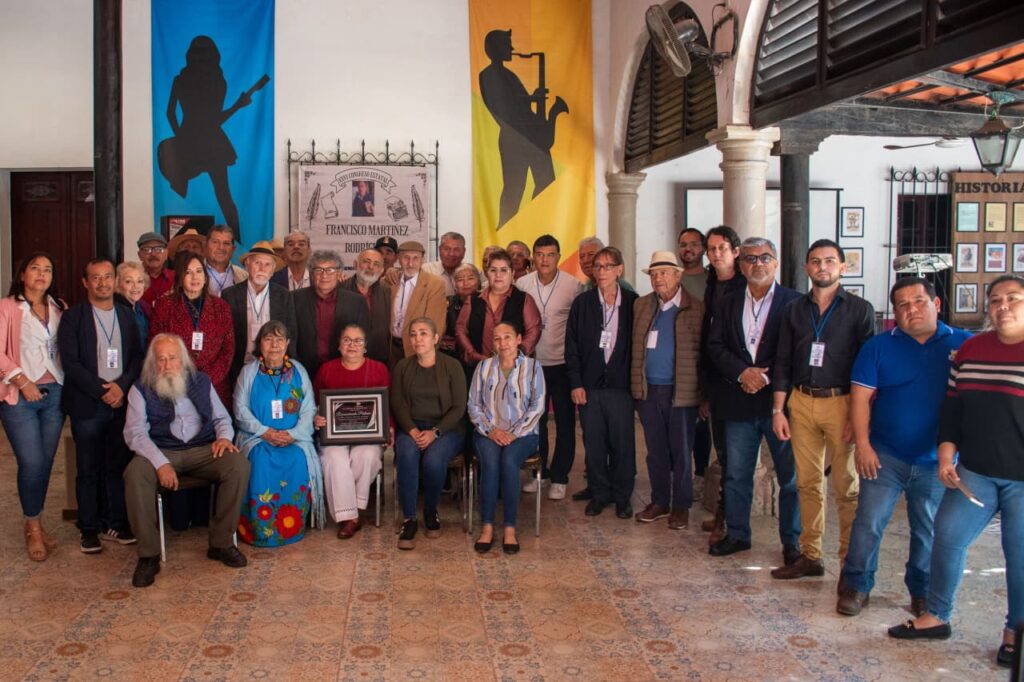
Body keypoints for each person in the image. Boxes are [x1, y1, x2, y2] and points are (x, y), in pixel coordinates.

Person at [887, 275, 1024, 670]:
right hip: (975, 470)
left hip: (1021, 479)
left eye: (1013, 299)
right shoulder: (971, 349)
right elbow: (953, 408)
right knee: (947, 536)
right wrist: (946, 457)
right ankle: (937, 615)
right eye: (995, 300)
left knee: (1018, 557)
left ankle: (1014, 632)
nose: (1003, 307)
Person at [837, 277, 970, 617]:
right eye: (903, 305)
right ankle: (856, 585)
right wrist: (863, 446)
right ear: (894, 312)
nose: (911, 309)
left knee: (927, 529)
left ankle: (922, 591)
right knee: (869, 522)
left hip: (936, 461)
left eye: (919, 301)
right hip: (885, 455)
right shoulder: (879, 346)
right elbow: (861, 398)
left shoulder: (963, 345)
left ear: (936, 304)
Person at [771, 239, 875, 580]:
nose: (822, 267)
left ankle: (849, 562)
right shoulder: (794, 310)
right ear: (806, 268)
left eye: (830, 261)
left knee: (847, 487)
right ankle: (811, 555)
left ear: (843, 267)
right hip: (801, 401)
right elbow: (783, 360)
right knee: (807, 483)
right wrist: (778, 409)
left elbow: (869, 368)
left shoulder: (859, 310)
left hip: (843, 403)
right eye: (815, 261)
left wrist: (860, 421)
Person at [122, 333, 248, 587]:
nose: (167, 365)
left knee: (238, 466)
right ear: (152, 363)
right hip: (162, 451)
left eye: (172, 358)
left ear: (183, 361)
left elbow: (222, 419)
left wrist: (224, 438)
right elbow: (134, 433)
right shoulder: (140, 388)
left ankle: (221, 543)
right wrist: (160, 463)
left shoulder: (201, 381)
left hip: (202, 449)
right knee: (135, 473)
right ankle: (149, 555)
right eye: (161, 360)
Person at [705, 238, 802, 565]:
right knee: (737, 474)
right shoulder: (728, 302)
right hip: (739, 401)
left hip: (780, 407)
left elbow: (797, 353)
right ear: (741, 264)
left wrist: (765, 376)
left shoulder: (794, 302)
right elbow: (715, 346)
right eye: (750, 258)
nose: (758, 263)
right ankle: (737, 534)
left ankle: (792, 542)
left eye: (765, 257)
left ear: (775, 263)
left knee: (790, 477)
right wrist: (742, 372)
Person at [57, 258, 143, 552]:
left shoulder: (126, 314)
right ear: (85, 282)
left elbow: (136, 358)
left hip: (120, 403)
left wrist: (121, 387)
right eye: (96, 278)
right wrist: (101, 390)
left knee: (116, 466)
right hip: (87, 404)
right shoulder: (73, 318)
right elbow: (70, 362)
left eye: (108, 277)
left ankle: (115, 524)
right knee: (88, 468)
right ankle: (88, 528)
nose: (103, 283)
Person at [233, 320, 324, 546]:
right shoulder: (248, 372)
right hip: (257, 439)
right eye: (268, 339)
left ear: (287, 343)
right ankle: (261, 531)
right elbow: (240, 409)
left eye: (279, 339)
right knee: (260, 461)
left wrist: (293, 434)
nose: (274, 345)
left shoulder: (299, 370)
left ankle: (291, 528)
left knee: (297, 459)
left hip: (294, 439)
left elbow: (309, 408)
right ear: (259, 344)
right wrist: (265, 432)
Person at [0, 253, 66, 561]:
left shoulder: (58, 307)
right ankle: (32, 527)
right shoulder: (7, 307)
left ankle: (36, 519)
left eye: (48, 270)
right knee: (31, 462)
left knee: (46, 463)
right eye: (35, 268)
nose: (41, 274)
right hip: (21, 396)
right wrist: (22, 381)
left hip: (54, 393)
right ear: (23, 273)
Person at [630, 251, 703, 529]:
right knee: (655, 450)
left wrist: (703, 395)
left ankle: (681, 505)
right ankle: (660, 500)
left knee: (682, 451)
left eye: (664, 273)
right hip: (649, 390)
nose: (658, 278)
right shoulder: (642, 306)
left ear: (677, 275)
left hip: (681, 391)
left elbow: (702, 354)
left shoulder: (695, 308)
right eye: (654, 274)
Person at [566, 246, 638, 518]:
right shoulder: (582, 304)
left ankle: (622, 496)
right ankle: (599, 493)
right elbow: (571, 346)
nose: (603, 271)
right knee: (594, 444)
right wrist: (576, 383)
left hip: (621, 387)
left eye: (609, 266)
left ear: (620, 269)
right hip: (589, 388)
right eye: (598, 266)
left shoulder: (633, 302)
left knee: (622, 444)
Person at [468, 321, 546, 554]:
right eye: (497, 339)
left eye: (508, 337)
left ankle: (510, 527)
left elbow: (537, 406)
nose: (502, 343)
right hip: (487, 433)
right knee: (490, 463)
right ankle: (488, 526)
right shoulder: (483, 367)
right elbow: (473, 404)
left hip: (523, 435)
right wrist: (491, 430)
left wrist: (513, 433)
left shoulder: (533, 368)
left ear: (519, 339)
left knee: (509, 461)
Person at [391, 318, 467, 550]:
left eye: (424, 333)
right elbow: (398, 403)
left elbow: (459, 407)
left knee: (434, 459)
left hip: (446, 429)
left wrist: (435, 432)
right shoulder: (403, 367)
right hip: (411, 426)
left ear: (435, 338)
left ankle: (431, 511)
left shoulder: (452, 366)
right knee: (405, 453)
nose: (417, 339)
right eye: (413, 334)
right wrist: (413, 430)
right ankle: (410, 518)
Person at [516, 235, 582, 500]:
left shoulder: (573, 285)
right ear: (533, 257)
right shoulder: (522, 284)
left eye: (550, 254)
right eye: (540, 254)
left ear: (558, 256)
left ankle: (561, 477)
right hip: (533, 364)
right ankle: (538, 472)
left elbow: (577, 328)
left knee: (565, 422)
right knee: (536, 422)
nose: (545, 260)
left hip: (563, 363)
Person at [313, 323, 390, 539]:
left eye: (358, 341)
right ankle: (352, 516)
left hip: (369, 435)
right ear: (339, 345)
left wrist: (388, 428)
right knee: (333, 457)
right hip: (334, 435)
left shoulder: (379, 369)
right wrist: (315, 417)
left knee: (366, 455)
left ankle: (350, 511)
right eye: (347, 340)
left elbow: (387, 405)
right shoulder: (326, 369)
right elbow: (313, 402)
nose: (352, 345)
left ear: (365, 346)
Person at [700, 225, 746, 542]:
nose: (717, 254)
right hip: (716, 382)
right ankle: (723, 513)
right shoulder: (711, 283)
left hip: (742, 383)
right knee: (723, 452)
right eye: (712, 248)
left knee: (736, 458)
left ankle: (728, 520)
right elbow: (707, 339)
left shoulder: (745, 286)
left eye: (722, 248)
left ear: (735, 251)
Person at [150, 252, 235, 405]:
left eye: (198, 271)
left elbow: (228, 350)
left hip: (214, 385)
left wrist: (205, 379)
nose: (194, 277)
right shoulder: (165, 306)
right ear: (180, 279)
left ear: (205, 276)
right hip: (176, 382)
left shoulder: (221, 307)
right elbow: (156, 346)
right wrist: (183, 378)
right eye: (188, 272)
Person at [222, 241, 297, 389]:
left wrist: (286, 368)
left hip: (274, 367)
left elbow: (292, 333)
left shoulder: (283, 295)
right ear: (247, 265)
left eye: (267, 264)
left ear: (273, 270)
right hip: (239, 367)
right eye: (257, 263)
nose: (262, 268)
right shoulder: (229, 295)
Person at [456, 248, 541, 377]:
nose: (498, 275)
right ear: (487, 273)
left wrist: (516, 355)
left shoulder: (524, 299)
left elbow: (534, 331)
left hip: (515, 370)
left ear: (512, 273)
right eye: (493, 270)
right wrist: (473, 354)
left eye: (504, 270)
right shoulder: (473, 301)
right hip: (478, 369)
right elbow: (461, 330)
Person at [292, 250, 370, 381]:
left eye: (330, 270)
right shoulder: (294, 298)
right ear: (311, 274)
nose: (324, 275)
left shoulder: (356, 302)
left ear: (339, 273)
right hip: (303, 371)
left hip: (342, 369)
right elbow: (290, 337)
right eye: (319, 270)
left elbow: (364, 338)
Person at [389, 241, 447, 366]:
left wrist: (425, 355)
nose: (410, 263)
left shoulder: (434, 284)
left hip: (416, 350)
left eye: (415, 258)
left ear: (422, 260)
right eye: (406, 258)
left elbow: (435, 325)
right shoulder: (389, 281)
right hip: (389, 349)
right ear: (399, 259)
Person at [339, 248, 392, 366]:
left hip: (379, 362)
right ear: (355, 264)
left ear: (382, 270)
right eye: (366, 262)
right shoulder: (340, 290)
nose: (371, 267)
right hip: (346, 361)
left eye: (376, 264)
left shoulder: (388, 293)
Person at [441, 263, 481, 366]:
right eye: (460, 280)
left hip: (480, 355)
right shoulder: (447, 303)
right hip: (452, 357)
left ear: (478, 281)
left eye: (470, 278)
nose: (465, 283)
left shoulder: (487, 302)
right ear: (454, 284)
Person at [204, 224, 247, 297]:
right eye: (215, 242)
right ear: (206, 245)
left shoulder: (244, 276)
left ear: (233, 249)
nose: (221, 247)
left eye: (226, 243)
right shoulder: (192, 273)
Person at [115, 262, 151, 348]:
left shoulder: (143, 308)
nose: (136, 286)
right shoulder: (113, 311)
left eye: (140, 281)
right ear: (118, 284)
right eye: (128, 282)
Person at [422, 231, 467, 297]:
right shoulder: (425, 270)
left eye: (456, 250)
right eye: (447, 249)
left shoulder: (474, 272)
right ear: (439, 250)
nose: (451, 254)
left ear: (464, 252)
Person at [138, 232, 174, 308]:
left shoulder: (176, 278)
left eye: (159, 249)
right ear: (140, 255)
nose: (153, 254)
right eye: (147, 250)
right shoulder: (131, 279)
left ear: (166, 254)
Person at [678, 228, 708, 304]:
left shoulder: (713, 279)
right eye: (683, 245)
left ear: (704, 249)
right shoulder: (672, 279)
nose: (688, 249)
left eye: (694, 244)